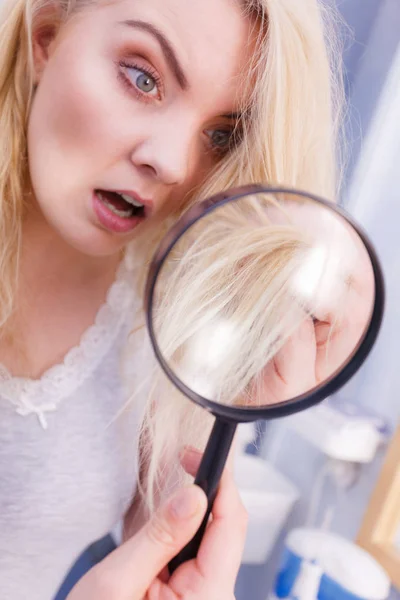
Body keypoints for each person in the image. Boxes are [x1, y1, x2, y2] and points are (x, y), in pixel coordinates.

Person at [0, 0, 344, 597]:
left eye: (220, 135)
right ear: (47, 36)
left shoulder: (164, 322)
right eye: (143, 78)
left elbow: (151, 546)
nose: (174, 164)